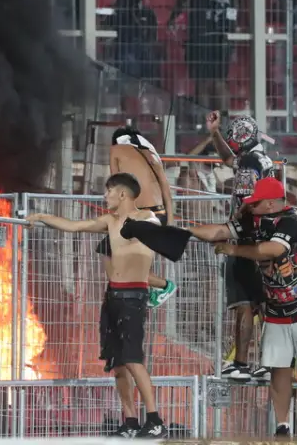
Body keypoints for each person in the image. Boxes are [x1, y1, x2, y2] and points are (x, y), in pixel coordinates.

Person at [27, 174, 193, 438]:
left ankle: (155, 420)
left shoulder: (146, 220)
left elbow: (163, 229)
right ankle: (130, 421)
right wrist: (41, 217)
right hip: (112, 298)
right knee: (117, 364)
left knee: (133, 360)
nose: (105, 197)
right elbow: (74, 226)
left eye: (109, 192)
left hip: (133, 298)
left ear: (123, 194)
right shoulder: (109, 221)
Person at [189, 176, 297, 436]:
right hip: (277, 309)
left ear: (269, 204)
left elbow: (272, 249)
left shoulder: (293, 219)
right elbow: (221, 231)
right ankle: (282, 425)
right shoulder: (252, 220)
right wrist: (185, 230)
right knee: (279, 368)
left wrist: (234, 251)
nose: (250, 207)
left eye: (255, 203)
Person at [206, 111, 279, 382]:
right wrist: (213, 133)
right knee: (265, 303)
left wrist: (230, 228)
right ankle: (270, 364)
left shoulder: (250, 162)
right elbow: (227, 159)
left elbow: (246, 199)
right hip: (264, 238)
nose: (232, 145)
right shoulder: (262, 159)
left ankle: (240, 363)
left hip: (246, 240)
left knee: (244, 305)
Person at [100, 127, 177, 307]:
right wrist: (170, 222)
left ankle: (164, 286)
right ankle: (146, 288)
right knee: (120, 258)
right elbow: (166, 189)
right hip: (160, 215)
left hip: (142, 216)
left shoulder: (116, 150)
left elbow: (116, 189)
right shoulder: (149, 153)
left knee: (109, 254)